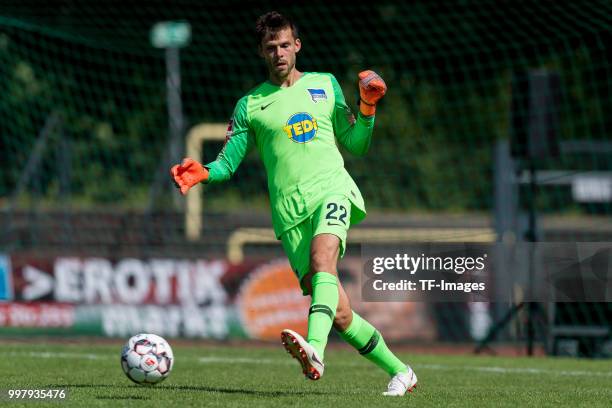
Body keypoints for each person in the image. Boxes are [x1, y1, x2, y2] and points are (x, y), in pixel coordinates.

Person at [171, 11, 417, 396]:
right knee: (339, 312)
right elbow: (227, 163)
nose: (279, 53)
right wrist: (203, 172)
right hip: (289, 215)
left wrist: (367, 109)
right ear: (261, 52)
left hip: (332, 191)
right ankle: (401, 371)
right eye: (271, 47)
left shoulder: (325, 85)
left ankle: (314, 351)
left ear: (297, 46)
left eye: (285, 45)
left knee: (324, 261)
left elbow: (355, 144)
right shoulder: (250, 105)